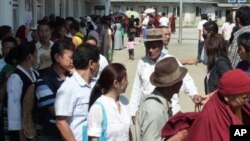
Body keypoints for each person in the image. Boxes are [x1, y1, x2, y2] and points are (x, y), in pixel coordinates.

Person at [129, 28, 200, 122]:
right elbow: (136, 88)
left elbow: (186, 80)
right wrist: (133, 112)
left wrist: (194, 95)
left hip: (171, 112)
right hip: (150, 113)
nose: (150, 50)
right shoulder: (142, 63)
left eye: (154, 47)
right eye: (148, 47)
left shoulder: (170, 60)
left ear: (161, 46)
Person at [186, 69, 250, 141]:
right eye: (245, 97)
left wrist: (238, 109)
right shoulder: (212, 116)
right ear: (227, 97)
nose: (246, 101)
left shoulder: (234, 104)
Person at [55, 44, 100, 141]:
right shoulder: (68, 88)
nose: (99, 65)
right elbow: (61, 122)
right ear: (91, 64)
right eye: (98, 62)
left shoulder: (97, 85)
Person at [135, 57, 187, 141]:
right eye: (179, 80)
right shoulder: (155, 110)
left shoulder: (162, 103)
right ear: (171, 85)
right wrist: (177, 138)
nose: (181, 82)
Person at [35, 40, 75, 141]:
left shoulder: (73, 76)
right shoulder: (43, 80)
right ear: (57, 57)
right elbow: (54, 110)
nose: (73, 61)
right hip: (52, 134)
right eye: (70, 58)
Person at [87, 63, 131, 141]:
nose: (128, 82)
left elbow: (128, 132)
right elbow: (94, 138)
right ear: (116, 83)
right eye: (125, 80)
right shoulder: (98, 108)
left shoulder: (124, 101)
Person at [7, 42, 39, 141]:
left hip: (32, 125)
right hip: (20, 131)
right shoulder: (15, 78)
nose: (37, 56)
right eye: (36, 53)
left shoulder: (35, 73)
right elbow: (13, 108)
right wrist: (20, 133)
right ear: (30, 56)